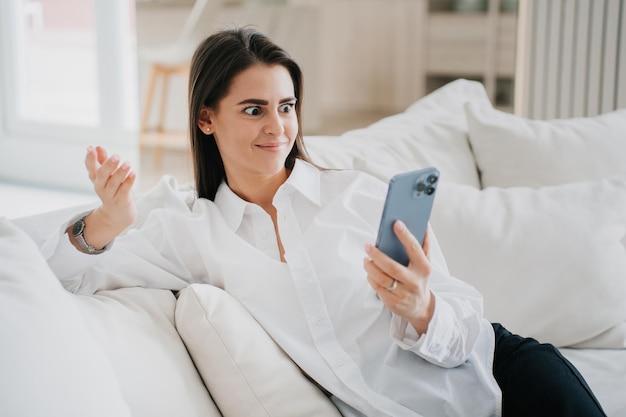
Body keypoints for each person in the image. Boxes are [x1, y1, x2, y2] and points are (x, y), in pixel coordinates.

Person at [45, 27, 606, 417]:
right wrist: (106, 220)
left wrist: (422, 308)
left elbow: (465, 325)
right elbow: (57, 274)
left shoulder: (358, 195)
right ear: (206, 118)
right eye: (254, 109)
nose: (278, 127)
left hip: (506, 375)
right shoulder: (194, 233)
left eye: (287, 107)